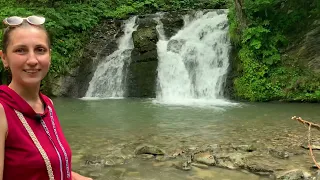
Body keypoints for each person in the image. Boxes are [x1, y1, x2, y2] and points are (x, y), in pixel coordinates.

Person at [0, 16, 93, 180]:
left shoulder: (47, 104)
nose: (32, 60)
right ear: (4, 58)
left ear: (49, 56)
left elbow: (51, 170)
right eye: (20, 50)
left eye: (40, 50)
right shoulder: (2, 110)